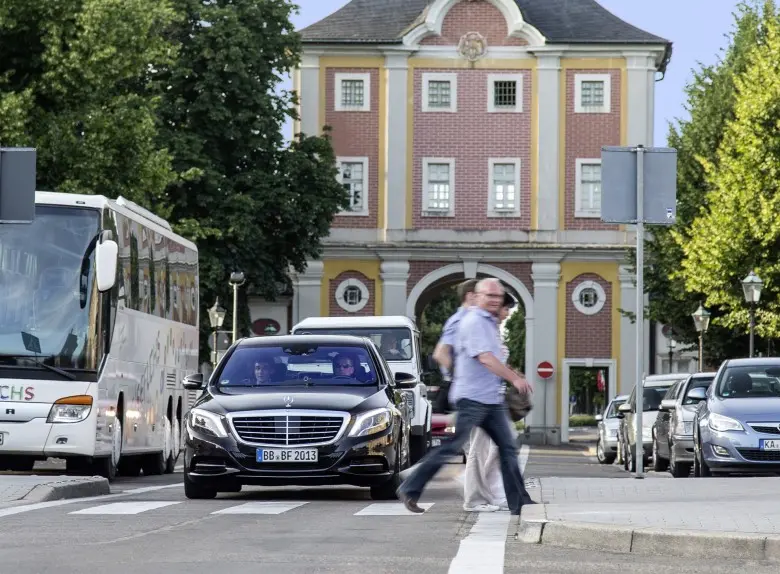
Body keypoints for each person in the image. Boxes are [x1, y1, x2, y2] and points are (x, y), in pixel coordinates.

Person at [397, 278, 535, 515]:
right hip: (472, 398)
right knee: (453, 446)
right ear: (476, 296)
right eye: (489, 296)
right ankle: (410, 487)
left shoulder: (490, 323)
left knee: (507, 448)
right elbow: (485, 358)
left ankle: (519, 502)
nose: (494, 301)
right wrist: (514, 378)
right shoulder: (474, 321)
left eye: (497, 297)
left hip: (490, 399)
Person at [462, 292, 522, 511]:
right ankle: (474, 499)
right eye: (506, 309)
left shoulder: (492, 330)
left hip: (492, 398)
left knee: (502, 447)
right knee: (479, 450)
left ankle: (490, 493)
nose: (507, 314)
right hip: (479, 398)